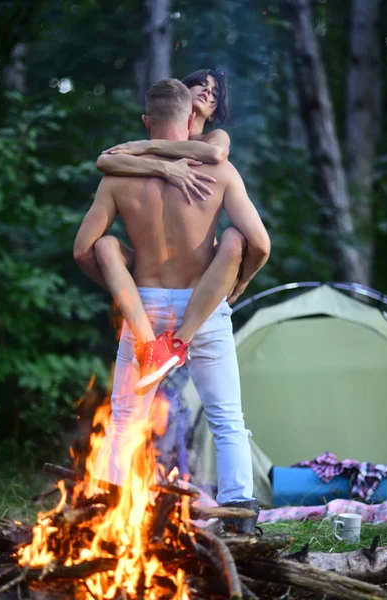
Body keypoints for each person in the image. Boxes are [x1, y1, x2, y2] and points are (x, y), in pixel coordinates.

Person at [73, 78, 270, 533]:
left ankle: (111, 515)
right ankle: (240, 514)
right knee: (226, 417)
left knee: (124, 419)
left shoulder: (118, 177)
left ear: (146, 124)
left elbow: (85, 249)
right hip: (203, 305)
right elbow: (258, 243)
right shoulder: (220, 172)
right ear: (189, 120)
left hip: (143, 305)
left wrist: (120, 291)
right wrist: (237, 284)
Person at [91, 70, 253, 392]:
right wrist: (163, 164)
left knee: (126, 420)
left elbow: (215, 153)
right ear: (185, 100)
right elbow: (105, 161)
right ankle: (170, 348)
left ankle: (175, 344)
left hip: (197, 292)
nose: (208, 92)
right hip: (161, 291)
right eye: (201, 86)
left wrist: (142, 145)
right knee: (224, 420)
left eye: (215, 92)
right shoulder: (151, 154)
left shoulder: (214, 141)